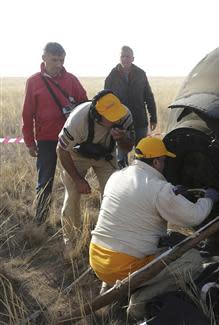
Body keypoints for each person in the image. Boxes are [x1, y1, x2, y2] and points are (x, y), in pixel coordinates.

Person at [89, 136, 219, 320]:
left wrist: (172, 193)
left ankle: (110, 290)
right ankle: (138, 303)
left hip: (98, 259)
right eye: (164, 161)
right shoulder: (158, 189)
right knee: (193, 260)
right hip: (124, 266)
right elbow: (194, 216)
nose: (165, 165)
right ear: (156, 161)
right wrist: (208, 199)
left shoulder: (116, 176)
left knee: (162, 239)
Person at [57, 90, 135, 246]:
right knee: (72, 195)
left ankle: (107, 236)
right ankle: (71, 240)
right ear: (97, 115)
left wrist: (122, 138)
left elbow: (128, 147)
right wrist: (78, 180)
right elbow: (61, 150)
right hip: (76, 155)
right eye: (111, 116)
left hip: (106, 156)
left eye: (117, 114)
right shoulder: (78, 119)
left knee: (112, 194)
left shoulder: (125, 114)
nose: (117, 118)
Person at [22, 42, 88, 224]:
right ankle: (40, 221)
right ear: (44, 58)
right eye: (54, 60)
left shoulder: (72, 80)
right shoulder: (33, 81)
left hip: (71, 140)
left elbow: (85, 105)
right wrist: (29, 142)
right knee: (45, 181)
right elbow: (27, 114)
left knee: (75, 180)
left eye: (61, 60)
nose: (59, 64)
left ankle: (74, 222)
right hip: (46, 140)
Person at [105, 45, 157, 168]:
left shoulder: (141, 74)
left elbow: (148, 96)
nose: (125, 59)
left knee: (141, 155)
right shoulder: (112, 76)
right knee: (121, 157)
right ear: (119, 58)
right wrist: (109, 124)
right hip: (120, 123)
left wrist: (153, 117)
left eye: (128, 56)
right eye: (122, 56)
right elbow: (106, 101)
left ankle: (139, 180)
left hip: (139, 121)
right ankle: (124, 182)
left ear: (133, 58)